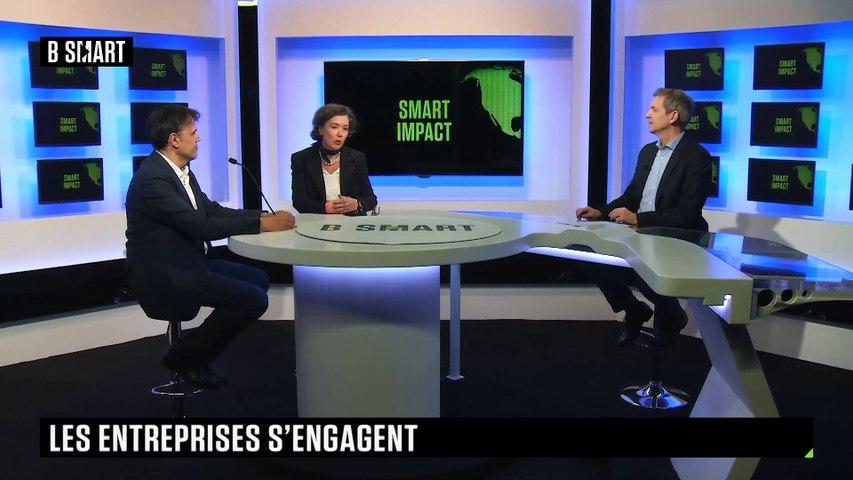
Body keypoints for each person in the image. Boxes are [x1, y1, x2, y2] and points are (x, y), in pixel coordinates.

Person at [125, 104, 295, 389]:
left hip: (189, 261)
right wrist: (262, 226)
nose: (199, 138)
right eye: (193, 133)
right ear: (174, 139)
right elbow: (199, 225)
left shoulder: (180, 171)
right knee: (254, 299)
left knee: (259, 279)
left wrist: (262, 216)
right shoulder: (153, 179)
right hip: (164, 273)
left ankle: (192, 353)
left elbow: (210, 210)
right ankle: (185, 357)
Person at [575, 88, 711, 347]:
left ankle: (670, 313)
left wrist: (638, 219)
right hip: (642, 232)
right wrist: (601, 212)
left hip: (675, 235)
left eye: (654, 109)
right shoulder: (648, 152)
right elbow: (632, 195)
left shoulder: (697, 157)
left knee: (639, 263)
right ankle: (633, 308)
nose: (647, 114)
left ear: (672, 116)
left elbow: (687, 213)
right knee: (584, 249)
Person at [291, 103, 377, 215]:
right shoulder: (301, 159)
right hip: (316, 221)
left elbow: (371, 199)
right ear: (321, 129)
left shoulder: (357, 158)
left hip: (349, 222)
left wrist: (357, 204)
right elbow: (299, 202)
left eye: (345, 128)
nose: (340, 134)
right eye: (334, 127)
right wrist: (326, 208)